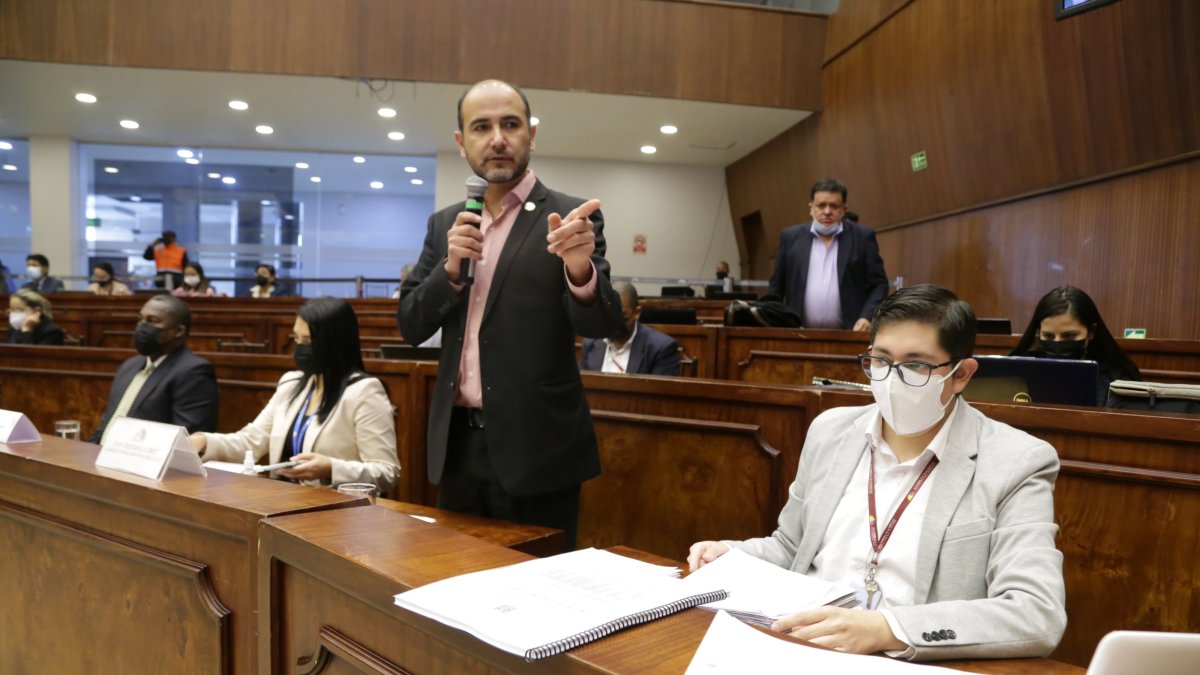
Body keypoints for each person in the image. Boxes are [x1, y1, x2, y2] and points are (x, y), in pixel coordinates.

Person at [688, 285, 1066, 661]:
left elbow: (1036, 611)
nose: (891, 380)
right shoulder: (830, 431)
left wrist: (888, 629)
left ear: (961, 374)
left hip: (905, 658)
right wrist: (731, 555)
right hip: (800, 644)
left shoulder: (1015, 461)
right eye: (881, 361)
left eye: (916, 365)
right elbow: (790, 547)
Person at [398, 79, 624, 550]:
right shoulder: (445, 224)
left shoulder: (569, 217)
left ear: (531, 135)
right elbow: (411, 325)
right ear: (462, 142)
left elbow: (603, 326)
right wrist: (450, 271)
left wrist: (579, 269)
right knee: (455, 580)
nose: (497, 138)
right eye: (481, 127)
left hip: (538, 450)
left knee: (539, 583)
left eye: (510, 124)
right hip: (457, 449)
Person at [191, 297, 399, 493]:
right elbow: (250, 441)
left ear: (334, 343)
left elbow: (387, 472)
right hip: (282, 500)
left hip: (336, 509)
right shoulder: (290, 384)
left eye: (307, 340)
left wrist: (331, 468)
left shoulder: (364, 391)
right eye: (296, 339)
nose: (299, 348)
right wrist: (205, 440)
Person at [91, 295, 219, 443]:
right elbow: (105, 426)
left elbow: (186, 442)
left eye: (152, 321)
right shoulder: (129, 366)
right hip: (101, 454)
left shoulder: (193, 372)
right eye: (140, 319)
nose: (142, 326)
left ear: (178, 331)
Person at [768, 178, 888, 331]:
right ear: (811, 208)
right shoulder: (790, 238)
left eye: (834, 206)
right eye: (821, 205)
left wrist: (867, 316)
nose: (827, 212)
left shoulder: (862, 238)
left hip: (849, 334)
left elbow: (879, 285)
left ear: (844, 209)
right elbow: (776, 287)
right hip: (798, 333)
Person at [1010, 286, 1141, 405]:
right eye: (1048, 336)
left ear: (1091, 332)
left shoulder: (1117, 378)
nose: (1057, 342)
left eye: (1069, 336)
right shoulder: (1019, 368)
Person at [580, 281, 681, 376]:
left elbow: (660, 388)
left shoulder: (661, 348)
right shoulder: (591, 343)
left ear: (637, 313)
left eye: (621, 316)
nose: (614, 324)